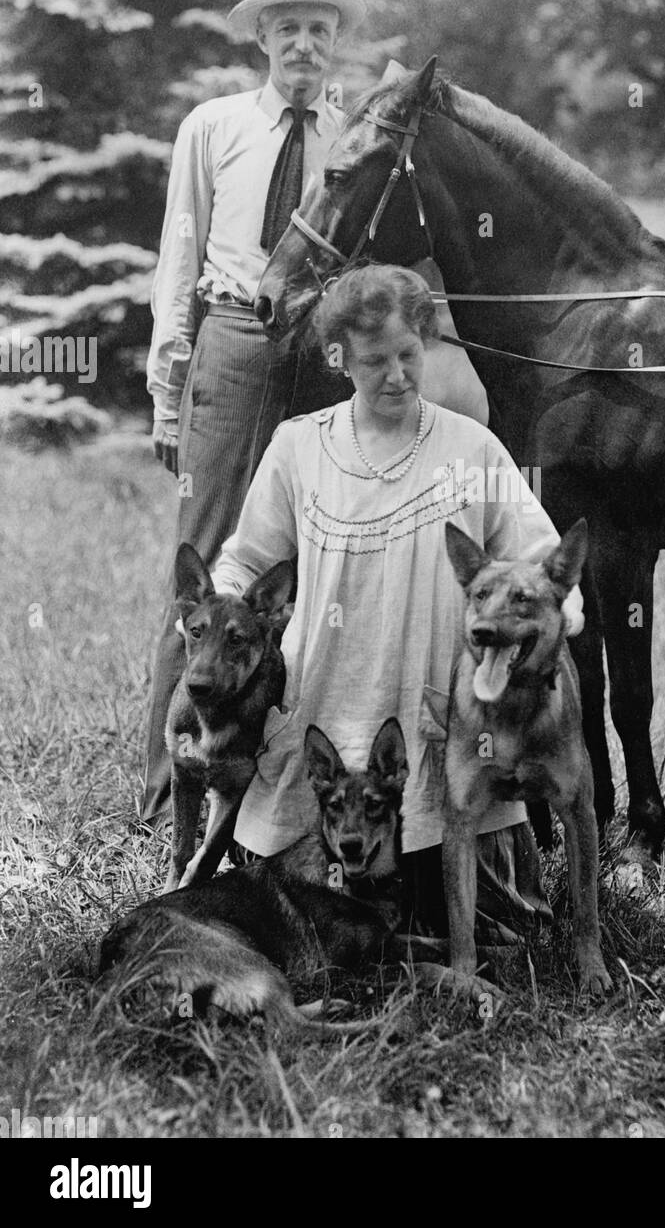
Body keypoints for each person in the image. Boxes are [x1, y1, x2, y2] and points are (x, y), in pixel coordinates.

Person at [210, 263, 584, 935]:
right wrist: (218, 624)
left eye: (409, 354)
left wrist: (553, 633)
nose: (398, 375)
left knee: (481, 928)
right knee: (305, 929)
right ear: (337, 358)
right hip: (327, 705)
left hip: (443, 718)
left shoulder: (470, 447)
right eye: (374, 361)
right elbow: (246, 559)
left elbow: (536, 555)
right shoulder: (299, 447)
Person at [140, 0, 366, 827]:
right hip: (232, 338)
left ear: (334, 40)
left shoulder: (353, 138)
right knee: (200, 560)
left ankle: (277, 781)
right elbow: (179, 255)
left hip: (318, 350)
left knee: (302, 560)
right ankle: (169, 783)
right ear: (263, 39)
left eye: (319, 28)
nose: (303, 43)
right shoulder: (214, 125)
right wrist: (170, 389)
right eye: (287, 28)